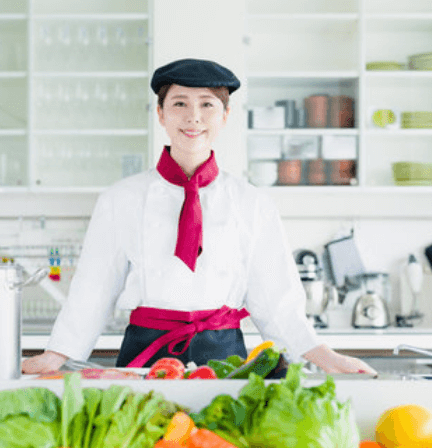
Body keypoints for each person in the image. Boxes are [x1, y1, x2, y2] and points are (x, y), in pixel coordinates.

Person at [22, 58, 376, 375]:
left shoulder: (253, 204)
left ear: (225, 116)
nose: (193, 117)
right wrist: (56, 355)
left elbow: (277, 301)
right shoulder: (120, 199)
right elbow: (93, 290)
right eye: (179, 103)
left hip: (226, 360)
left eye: (207, 104)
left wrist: (325, 357)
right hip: (145, 358)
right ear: (160, 113)